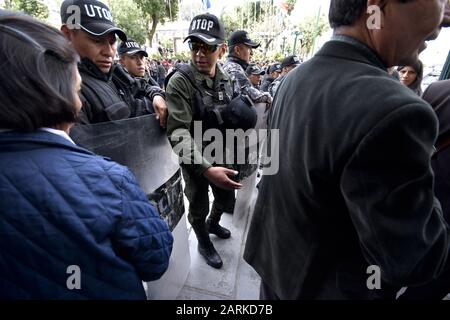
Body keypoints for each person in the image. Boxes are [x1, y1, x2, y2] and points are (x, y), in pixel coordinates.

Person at [244, 0, 450, 300]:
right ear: (378, 6)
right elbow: (413, 259)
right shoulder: (397, 111)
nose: (441, 15)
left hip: (278, 273)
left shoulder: (295, 78)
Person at [0, 14, 173, 299]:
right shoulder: (110, 181)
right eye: (77, 88)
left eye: (112, 42)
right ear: (65, 98)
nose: (108, 51)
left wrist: (154, 93)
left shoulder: (116, 76)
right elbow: (155, 258)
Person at [165, 13, 244, 269]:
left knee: (226, 199)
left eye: (207, 46)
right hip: (195, 158)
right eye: (194, 45)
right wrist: (207, 169)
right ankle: (202, 240)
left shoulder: (226, 77)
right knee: (197, 204)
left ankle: (213, 223)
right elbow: (178, 132)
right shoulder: (180, 81)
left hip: (222, 150)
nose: (199, 53)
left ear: (221, 49)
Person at [60, 0, 166, 126]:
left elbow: (139, 87)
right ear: (67, 34)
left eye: (112, 42)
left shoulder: (113, 75)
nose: (109, 52)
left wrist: (156, 95)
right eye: (97, 40)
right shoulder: (63, 88)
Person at [117, 39, 167, 127]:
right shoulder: (117, 86)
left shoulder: (148, 79)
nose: (140, 62)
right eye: (133, 57)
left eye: (141, 57)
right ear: (122, 61)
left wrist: (156, 94)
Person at [223, 30, 272, 105]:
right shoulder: (233, 68)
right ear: (237, 50)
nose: (251, 53)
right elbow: (252, 95)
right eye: (249, 48)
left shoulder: (232, 65)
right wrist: (268, 97)